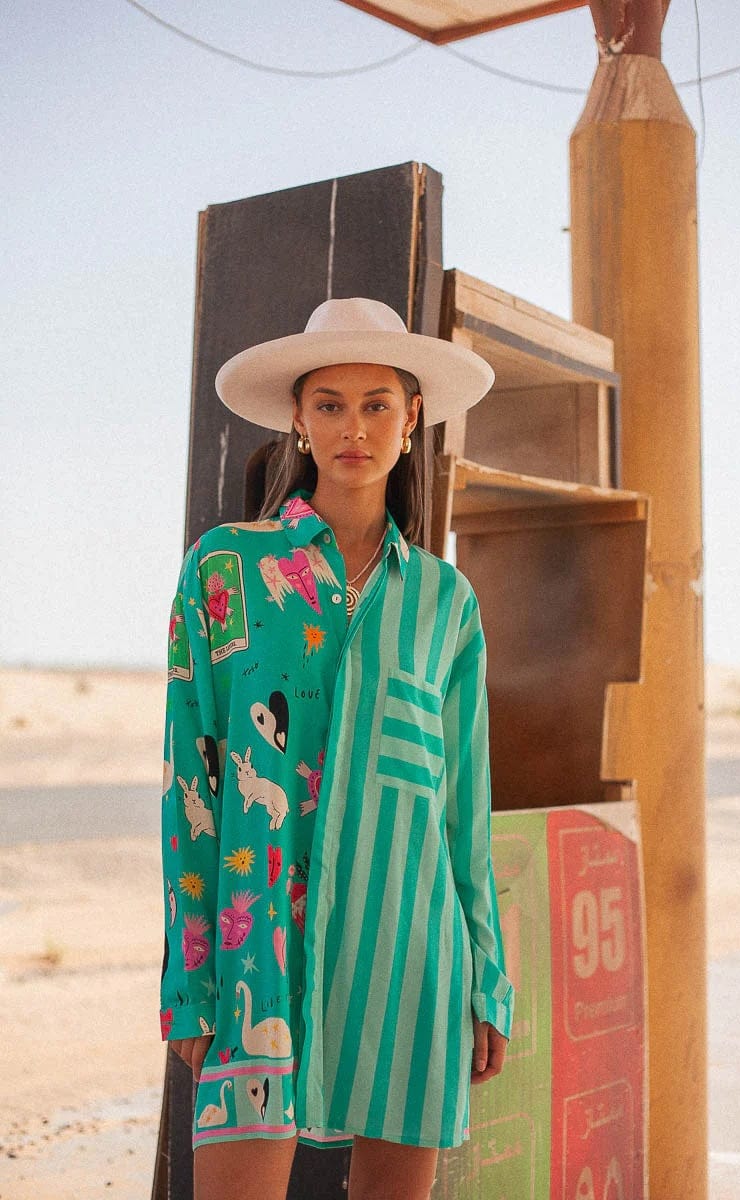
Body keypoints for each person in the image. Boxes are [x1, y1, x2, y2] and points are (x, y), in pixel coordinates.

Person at [160, 297, 515, 1200]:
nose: (352, 426)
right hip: (256, 953)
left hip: (410, 948)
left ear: (412, 421)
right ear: (298, 418)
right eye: (328, 403)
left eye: (376, 404)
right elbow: (190, 777)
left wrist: (488, 980)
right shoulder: (225, 568)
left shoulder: (446, 602)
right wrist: (190, 974)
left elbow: (461, 804)